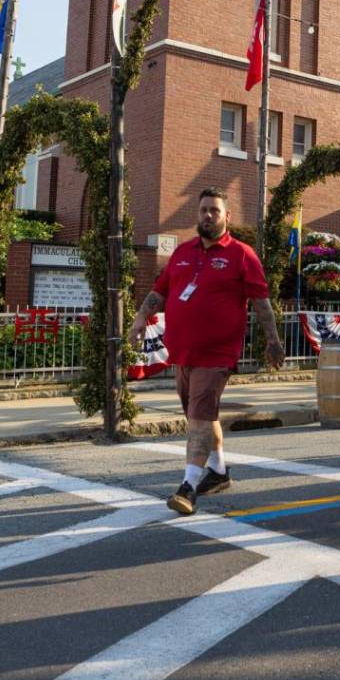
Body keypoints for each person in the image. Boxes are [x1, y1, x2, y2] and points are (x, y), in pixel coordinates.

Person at [130, 188, 285, 516]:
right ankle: (217, 471)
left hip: (217, 354)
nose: (208, 215)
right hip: (183, 353)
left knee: (198, 420)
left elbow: (261, 303)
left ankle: (188, 487)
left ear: (227, 217)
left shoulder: (242, 255)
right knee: (199, 415)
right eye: (203, 210)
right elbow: (160, 292)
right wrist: (141, 317)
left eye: (215, 210)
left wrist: (272, 340)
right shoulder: (182, 253)